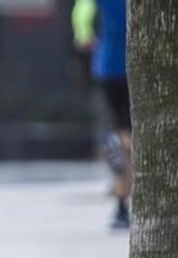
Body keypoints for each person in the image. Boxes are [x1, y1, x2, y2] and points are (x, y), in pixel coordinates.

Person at [72, 0, 131, 231]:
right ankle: (124, 195)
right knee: (130, 136)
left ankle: (121, 202)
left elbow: (82, 12)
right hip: (135, 66)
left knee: (120, 133)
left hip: (107, 66)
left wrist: (83, 34)